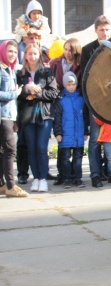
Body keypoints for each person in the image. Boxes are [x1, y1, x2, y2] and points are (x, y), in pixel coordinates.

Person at [16, 43, 58, 192]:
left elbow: (54, 93)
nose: (32, 57)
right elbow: (17, 96)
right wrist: (25, 91)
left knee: (41, 147)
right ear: (25, 56)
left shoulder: (47, 72)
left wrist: (37, 93)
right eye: (30, 54)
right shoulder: (20, 74)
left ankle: (44, 179)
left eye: (35, 54)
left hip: (44, 115)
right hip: (27, 116)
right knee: (31, 148)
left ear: (39, 55)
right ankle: (36, 178)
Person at [81, 15, 111, 188]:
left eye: (107, 29)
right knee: (95, 140)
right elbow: (85, 78)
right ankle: (95, 174)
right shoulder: (88, 50)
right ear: (96, 31)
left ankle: (110, 171)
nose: (105, 33)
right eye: (102, 30)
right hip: (94, 101)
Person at [49, 38, 83, 186]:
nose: (67, 53)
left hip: (75, 99)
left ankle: (75, 176)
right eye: (66, 49)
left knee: (75, 153)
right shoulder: (56, 63)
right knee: (63, 150)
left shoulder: (79, 65)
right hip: (60, 99)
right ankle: (63, 175)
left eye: (71, 50)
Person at [0, 40, 29, 198]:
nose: (12, 55)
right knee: (11, 150)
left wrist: (15, 120)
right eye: (9, 51)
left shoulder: (10, 70)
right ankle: (11, 186)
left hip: (9, 116)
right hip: (2, 116)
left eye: (14, 52)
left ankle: (2, 185)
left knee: (3, 151)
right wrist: (14, 94)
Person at [53, 72, 87, 188]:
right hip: (65, 134)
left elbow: (85, 116)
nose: (71, 86)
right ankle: (67, 178)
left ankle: (77, 178)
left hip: (78, 134)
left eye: (73, 84)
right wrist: (58, 132)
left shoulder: (81, 99)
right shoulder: (60, 99)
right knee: (65, 158)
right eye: (68, 84)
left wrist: (86, 132)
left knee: (78, 158)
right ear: (64, 85)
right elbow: (57, 117)